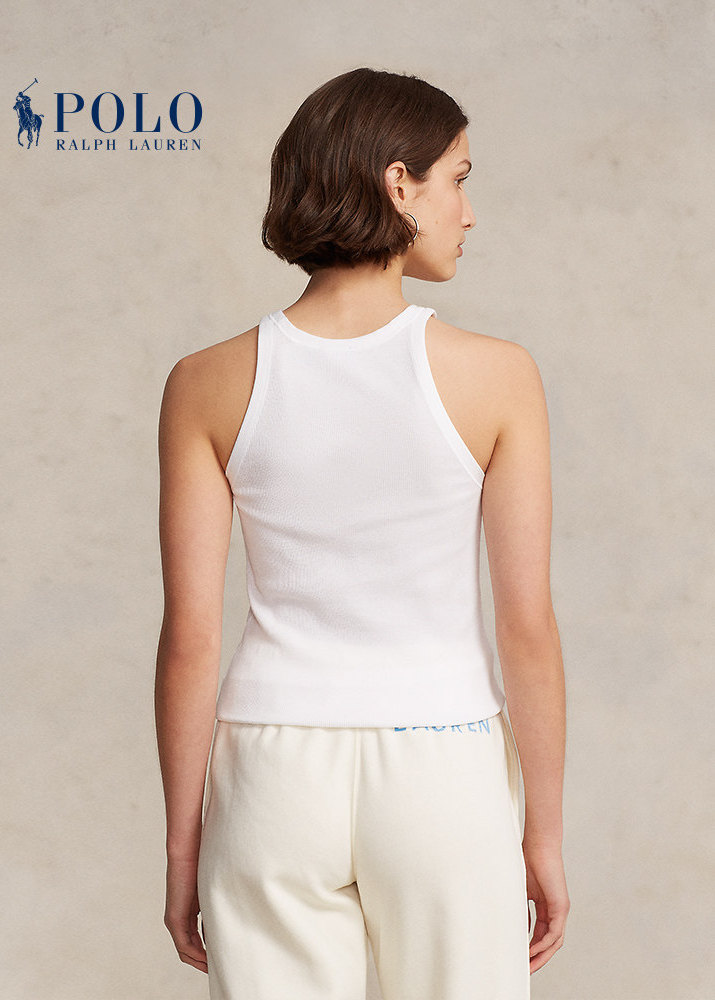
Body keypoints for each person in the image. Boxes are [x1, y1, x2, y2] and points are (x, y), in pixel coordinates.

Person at [154, 66, 569, 1000]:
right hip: (443, 760)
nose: (469, 212)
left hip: (270, 767)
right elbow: (527, 627)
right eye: (458, 179)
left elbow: (191, 638)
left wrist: (185, 845)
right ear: (398, 184)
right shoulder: (497, 375)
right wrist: (541, 832)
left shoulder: (204, 382)